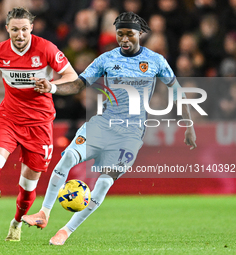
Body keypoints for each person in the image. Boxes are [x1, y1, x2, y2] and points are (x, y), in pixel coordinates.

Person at [22, 11, 197, 245]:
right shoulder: (106, 59)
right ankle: (43, 213)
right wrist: (52, 88)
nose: (124, 39)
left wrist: (188, 124)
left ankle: (66, 231)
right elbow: (78, 84)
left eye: (129, 34)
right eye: (120, 34)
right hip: (103, 124)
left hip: (130, 134)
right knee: (66, 160)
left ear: (141, 34)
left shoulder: (155, 61)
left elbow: (177, 91)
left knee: (104, 182)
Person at [0, 7, 77, 242]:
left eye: (24, 30)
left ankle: (16, 222)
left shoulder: (47, 49)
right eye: (15, 30)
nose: (20, 35)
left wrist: (52, 87)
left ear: (31, 28)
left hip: (39, 125)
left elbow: (72, 77)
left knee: (27, 187)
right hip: (9, 119)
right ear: (7, 29)